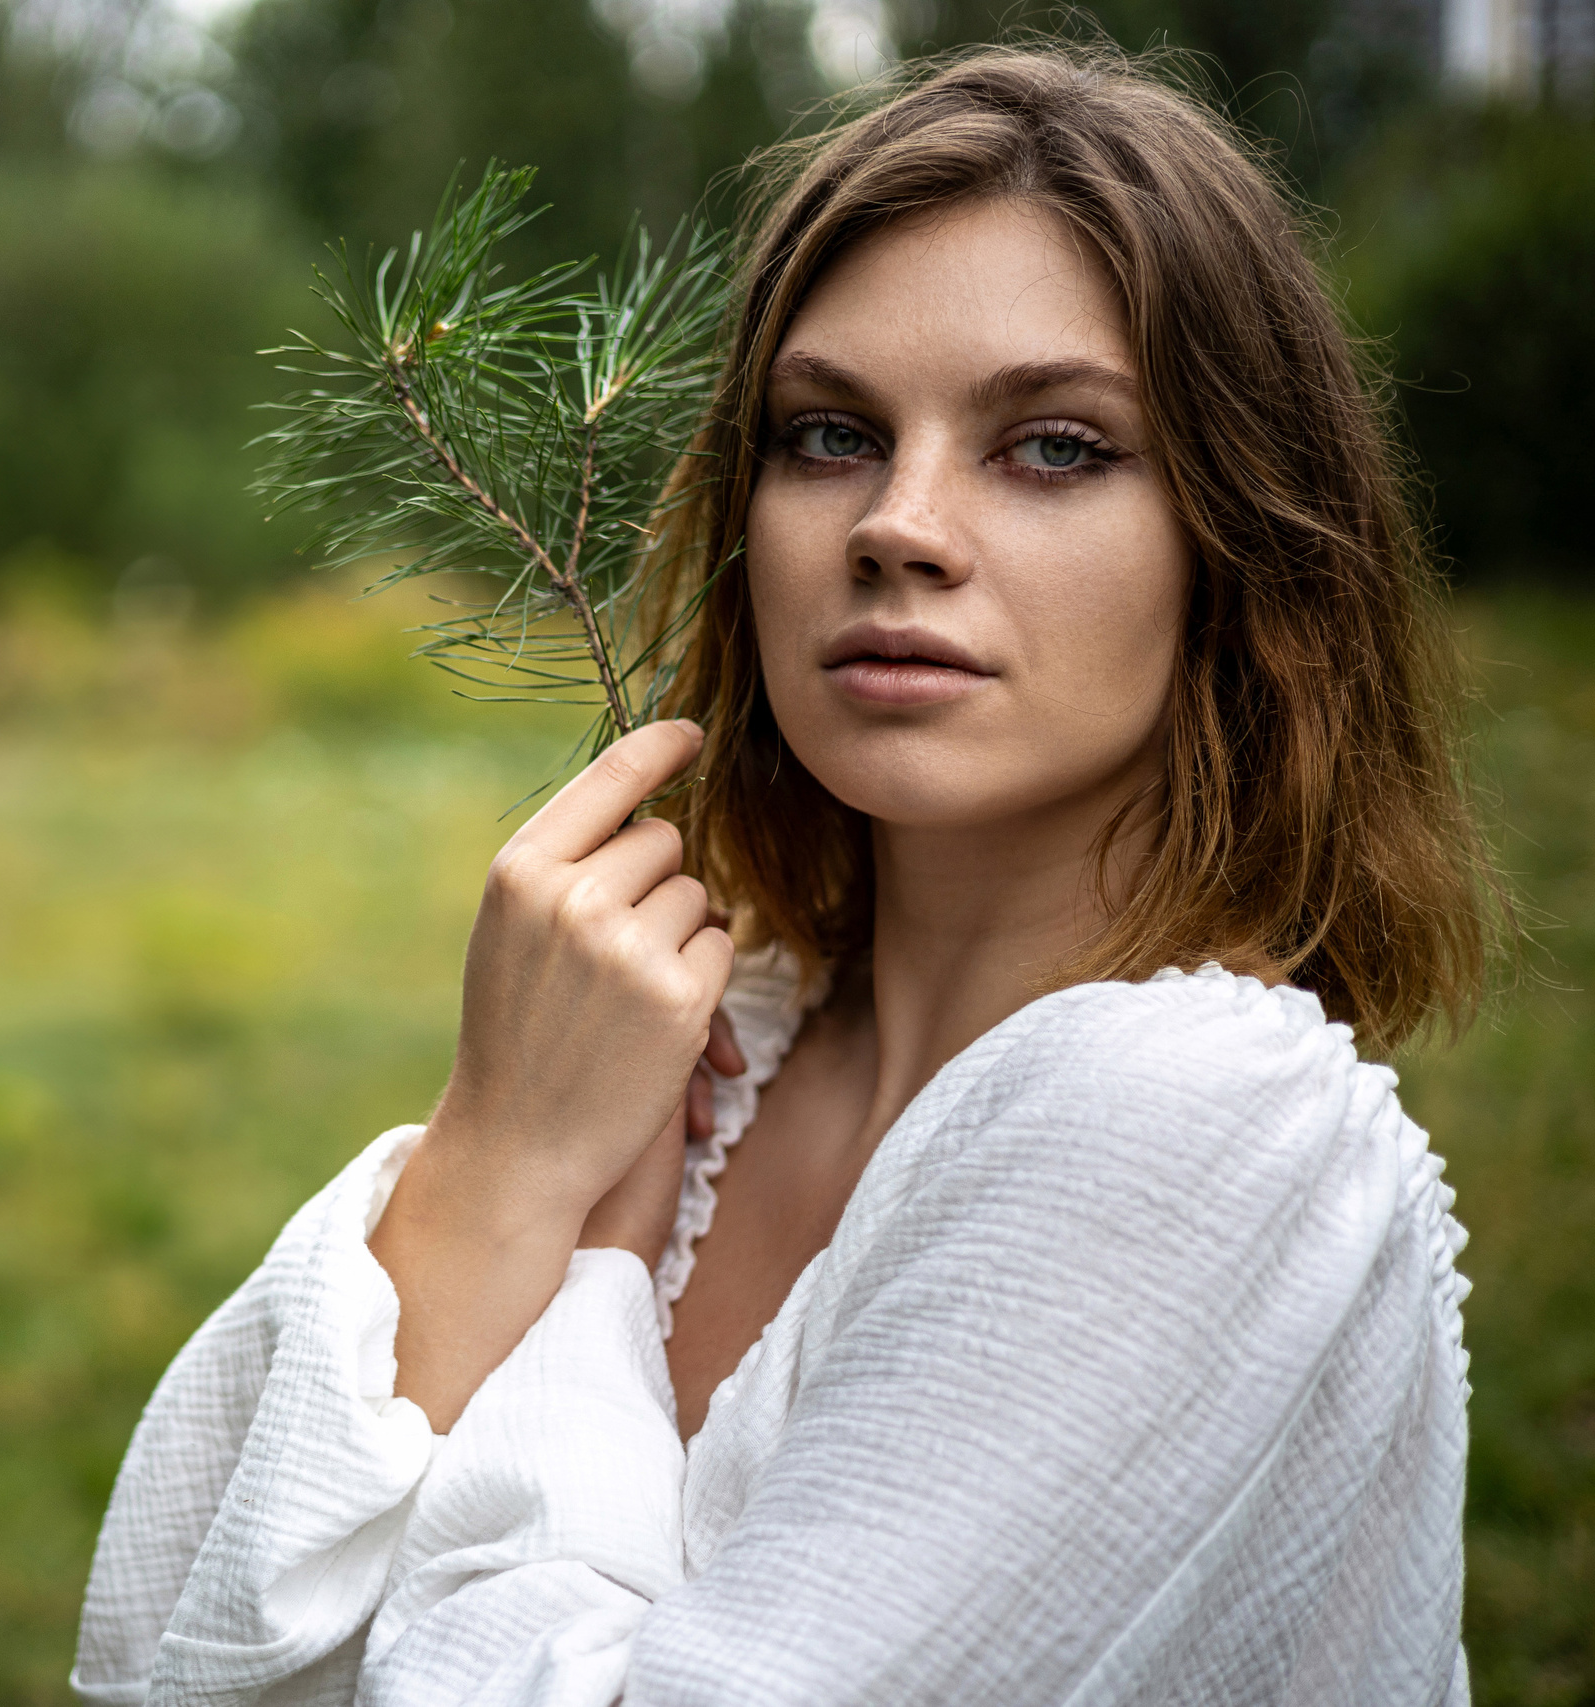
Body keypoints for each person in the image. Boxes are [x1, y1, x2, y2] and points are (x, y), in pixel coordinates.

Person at [73, 45, 1495, 1706]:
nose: (897, 524)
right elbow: (172, 1633)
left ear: (1242, 536)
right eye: (828, 434)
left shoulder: (1191, 1121)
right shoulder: (710, 1041)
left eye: (1052, 447)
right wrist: (503, 1151)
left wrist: (594, 1265)